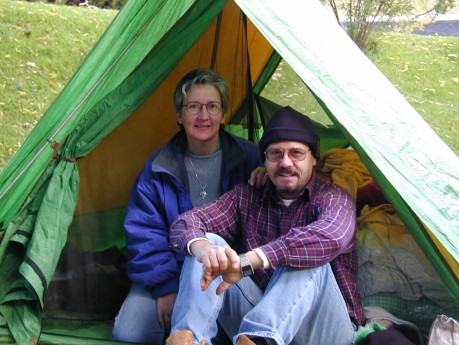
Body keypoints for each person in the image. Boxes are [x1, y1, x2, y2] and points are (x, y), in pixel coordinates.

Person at [166, 106, 365, 345]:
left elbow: (329, 238)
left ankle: (259, 339)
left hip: (326, 331)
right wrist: (203, 249)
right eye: (275, 154)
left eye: (297, 153)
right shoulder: (247, 196)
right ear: (265, 160)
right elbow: (185, 223)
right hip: (257, 318)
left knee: (310, 255)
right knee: (211, 246)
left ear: (314, 158)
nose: (285, 163)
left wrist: (249, 261)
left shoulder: (334, 198)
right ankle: (188, 338)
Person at [112, 68, 265, 344]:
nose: (203, 116)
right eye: (193, 106)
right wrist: (166, 288)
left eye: (212, 106)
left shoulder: (250, 158)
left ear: (224, 114)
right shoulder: (160, 167)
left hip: (230, 271)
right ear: (179, 116)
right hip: (173, 267)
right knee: (129, 332)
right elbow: (144, 232)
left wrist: (268, 174)